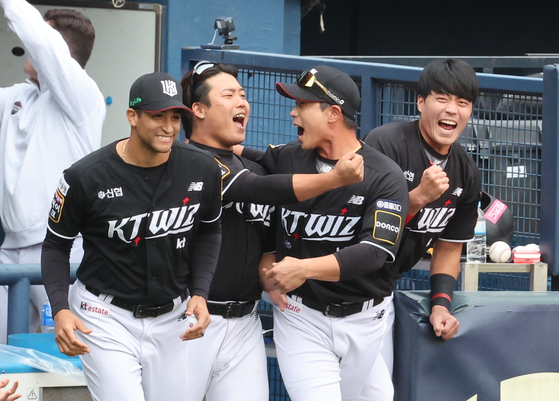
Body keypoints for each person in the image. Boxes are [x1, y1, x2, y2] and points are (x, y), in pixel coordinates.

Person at [180, 61, 364, 401]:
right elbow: (254, 190)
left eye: (243, 94)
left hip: (244, 322)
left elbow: (268, 237)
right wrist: (335, 179)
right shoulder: (184, 160)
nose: (241, 102)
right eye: (229, 94)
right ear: (198, 110)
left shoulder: (252, 165)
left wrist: (268, 271)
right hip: (188, 318)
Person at [41, 72, 222, 401]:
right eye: (157, 116)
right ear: (132, 117)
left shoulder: (202, 168)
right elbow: (56, 245)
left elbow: (210, 229)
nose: (169, 127)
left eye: (175, 117)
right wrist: (59, 309)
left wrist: (200, 291)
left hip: (173, 316)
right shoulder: (85, 176)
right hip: (104, 315)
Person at [245, 65, 409, 401]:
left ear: (333, 113)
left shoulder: (385, 175)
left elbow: (374, 252)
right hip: (301, 317)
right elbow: (248, 168)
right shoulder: (287, 158)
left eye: (302, 105)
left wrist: (303, 268)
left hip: (367, 320)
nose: (293, 113)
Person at [362, 58, 481, 398]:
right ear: (420, 102)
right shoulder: (385, 144)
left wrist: (441, 304)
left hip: (379, 297)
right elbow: (359, 226)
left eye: (463, 102)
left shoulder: (466, 170)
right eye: (442, 98)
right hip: (334, 289)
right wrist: (416, 198)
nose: (452, 110)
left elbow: (448, 246)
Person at [0, 0, 104, 343]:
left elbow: (42, 41)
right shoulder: (20, 97)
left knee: (59, 361)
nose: (28, 48)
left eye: (36, 41)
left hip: (62, 251)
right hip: (9, 253)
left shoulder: (82, 95)